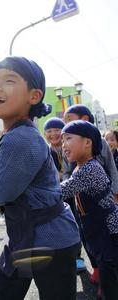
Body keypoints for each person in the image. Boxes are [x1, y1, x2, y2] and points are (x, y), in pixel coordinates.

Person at [0, 56, 80, 300]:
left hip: (48, 239)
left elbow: (1, 194)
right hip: (31, 235)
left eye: (9, 80)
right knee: (4, 292)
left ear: (34, 96)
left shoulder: (19, 138)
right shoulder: (22, 133)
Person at [61, 120, 118, 300]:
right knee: (108, 275)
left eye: (68, 138)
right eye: (62, 140)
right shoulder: (80, 167)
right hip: (101, 230)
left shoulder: (89, 169)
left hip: (109, 232)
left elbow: (59, 192)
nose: (63, 144)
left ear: (87, 143)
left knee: (111, 276)